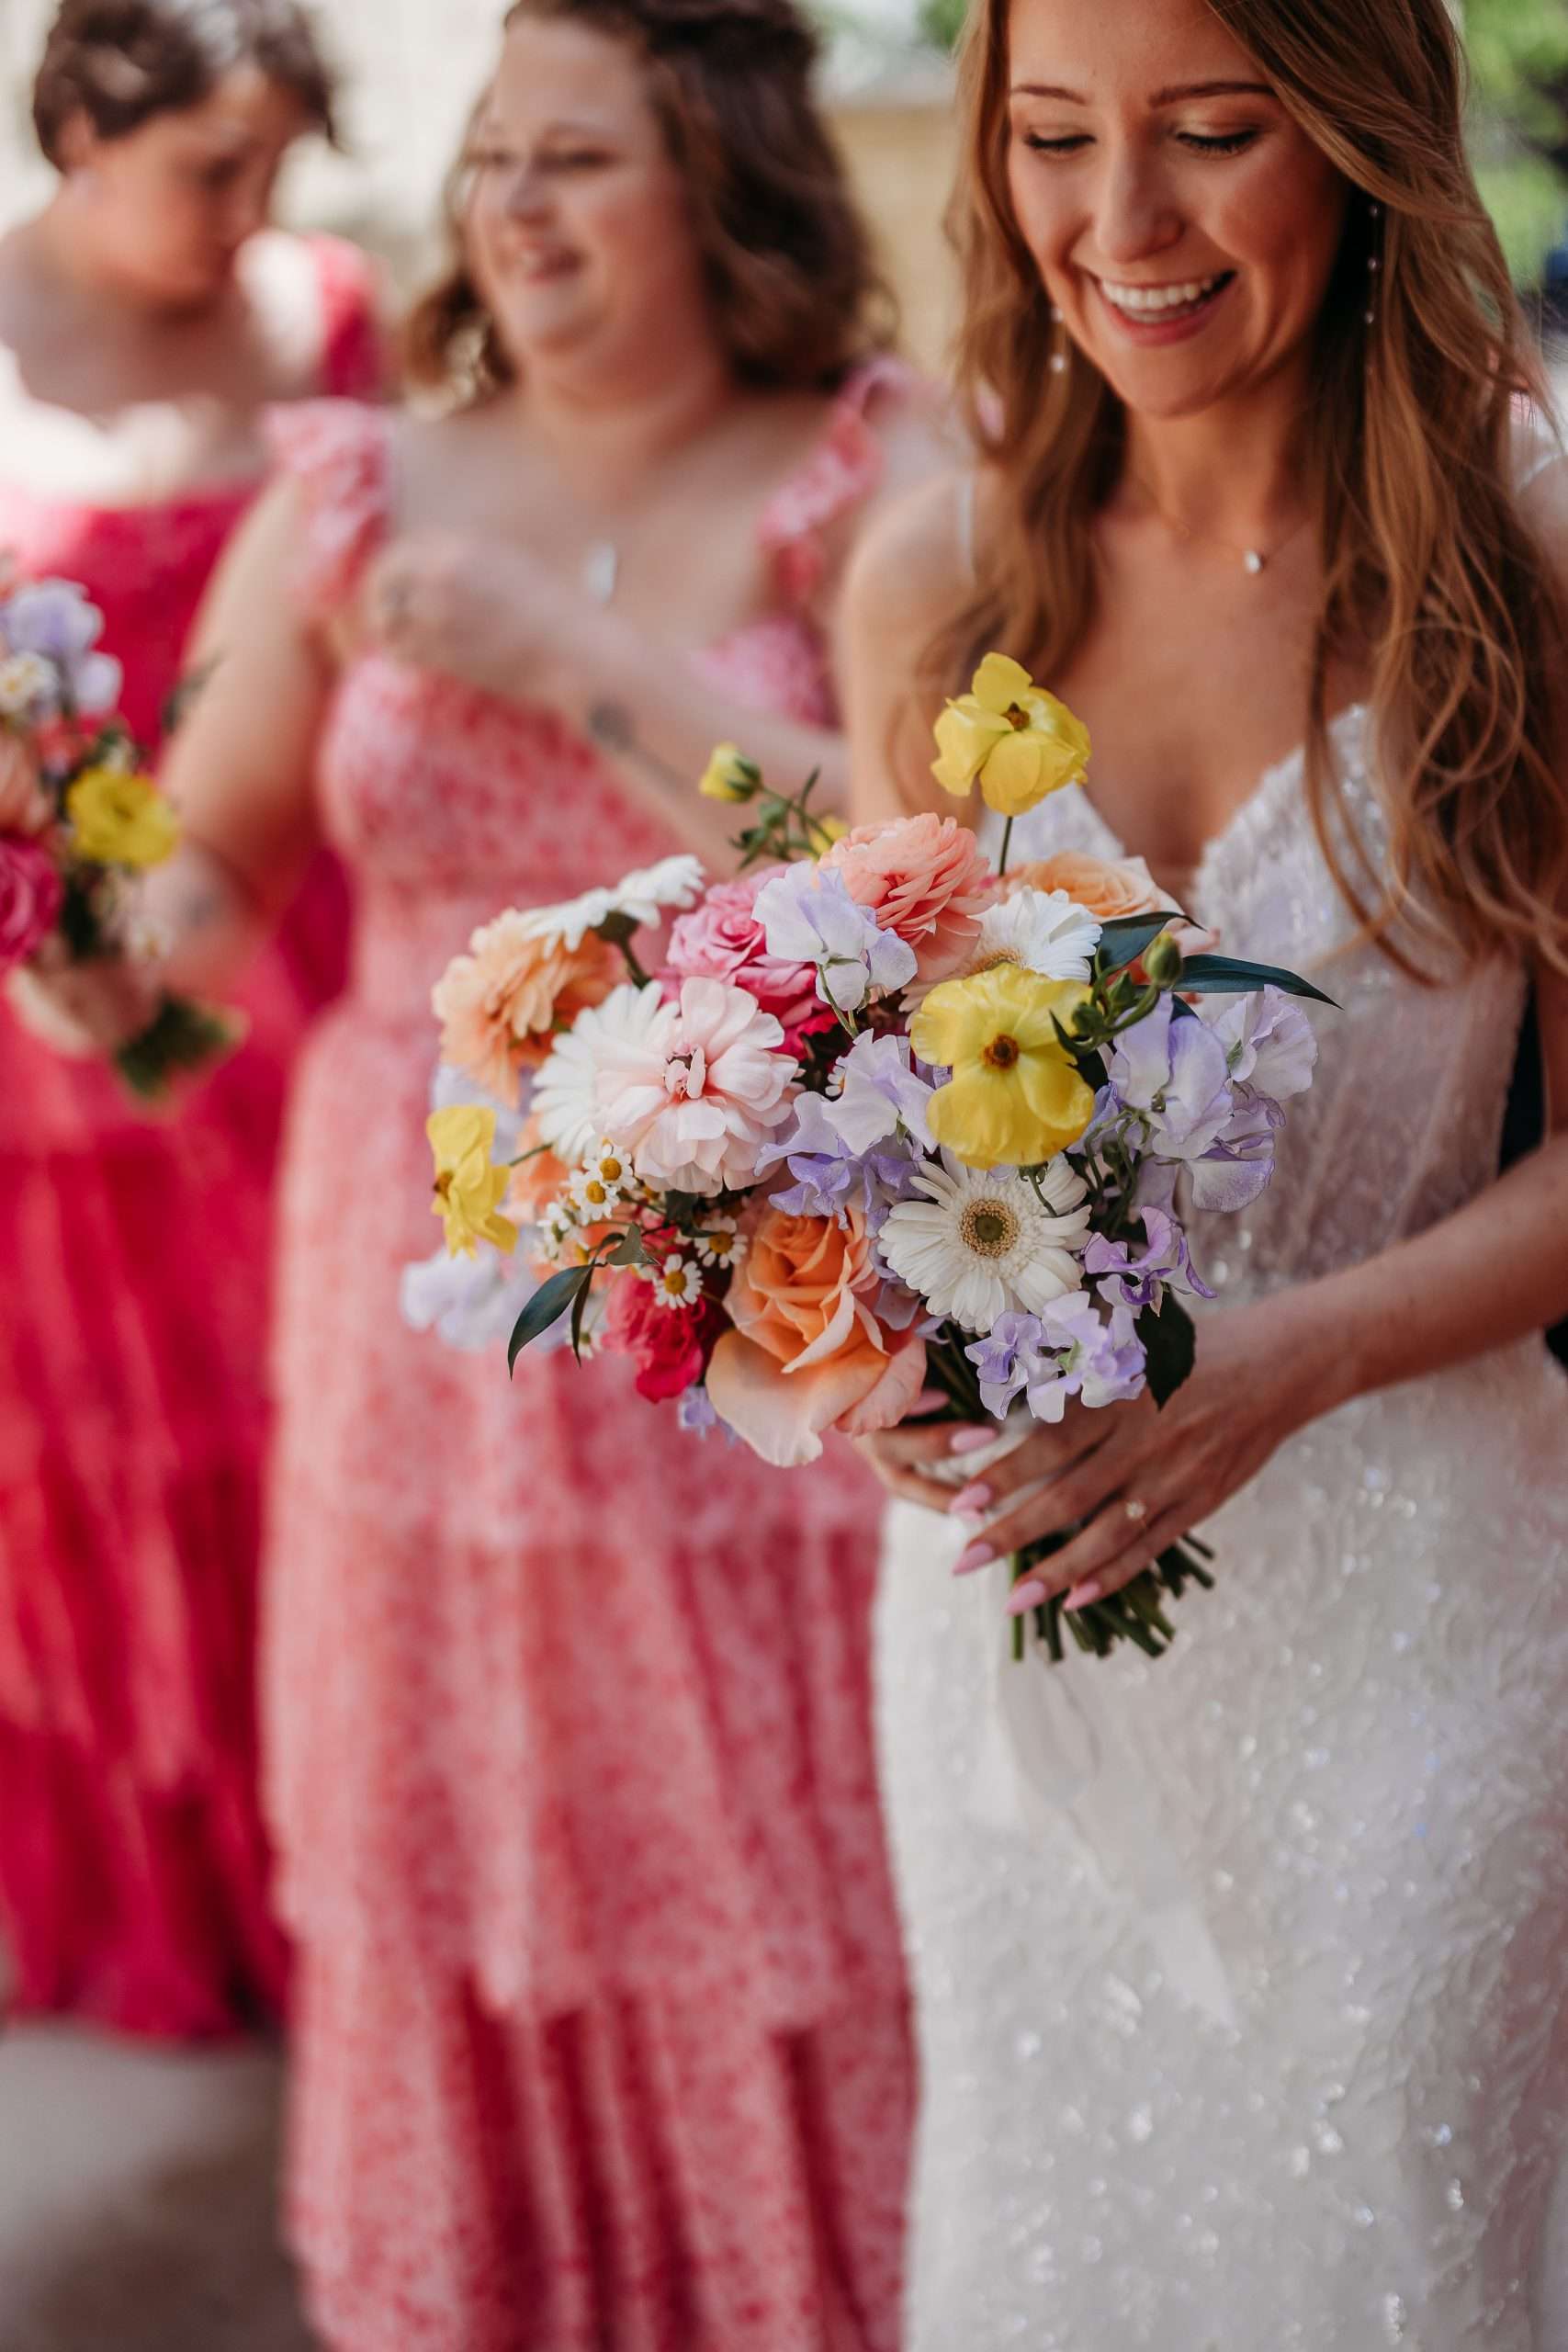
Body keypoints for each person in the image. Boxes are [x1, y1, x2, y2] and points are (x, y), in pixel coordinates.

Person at [15, 0, 948, 2338]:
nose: (512, 209)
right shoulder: (346, 489)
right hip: (412, 1291)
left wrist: (565, 658)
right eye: (494, 162)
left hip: (753, 1281)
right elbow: (201, 900)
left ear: (720, 173)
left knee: (772, 1856)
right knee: (459, 1851)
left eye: (579, 159)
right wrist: (76, 931)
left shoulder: (866, 468)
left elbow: (932, 873)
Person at [841, 0, 1568, 2343]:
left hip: (1424, 1615)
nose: (1114, 225)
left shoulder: (1522, 552)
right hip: (1012, 1639)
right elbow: (869, 1125)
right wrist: (852, 1351)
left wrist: (1283, 1358)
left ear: (1358, 141)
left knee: (1393, 2246)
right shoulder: (929, 582)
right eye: (1051, 137)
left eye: (1209, 133)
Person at [0, 0, 382, 2037]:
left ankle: (344, 1886)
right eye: (206, 169)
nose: (251, 213)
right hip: (44, 1002)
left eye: (274, 166)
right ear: (78, 127)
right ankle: (168, 1902)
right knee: (97, 1461)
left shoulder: (330, 315)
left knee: (311, 1413)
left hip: (282, 954)